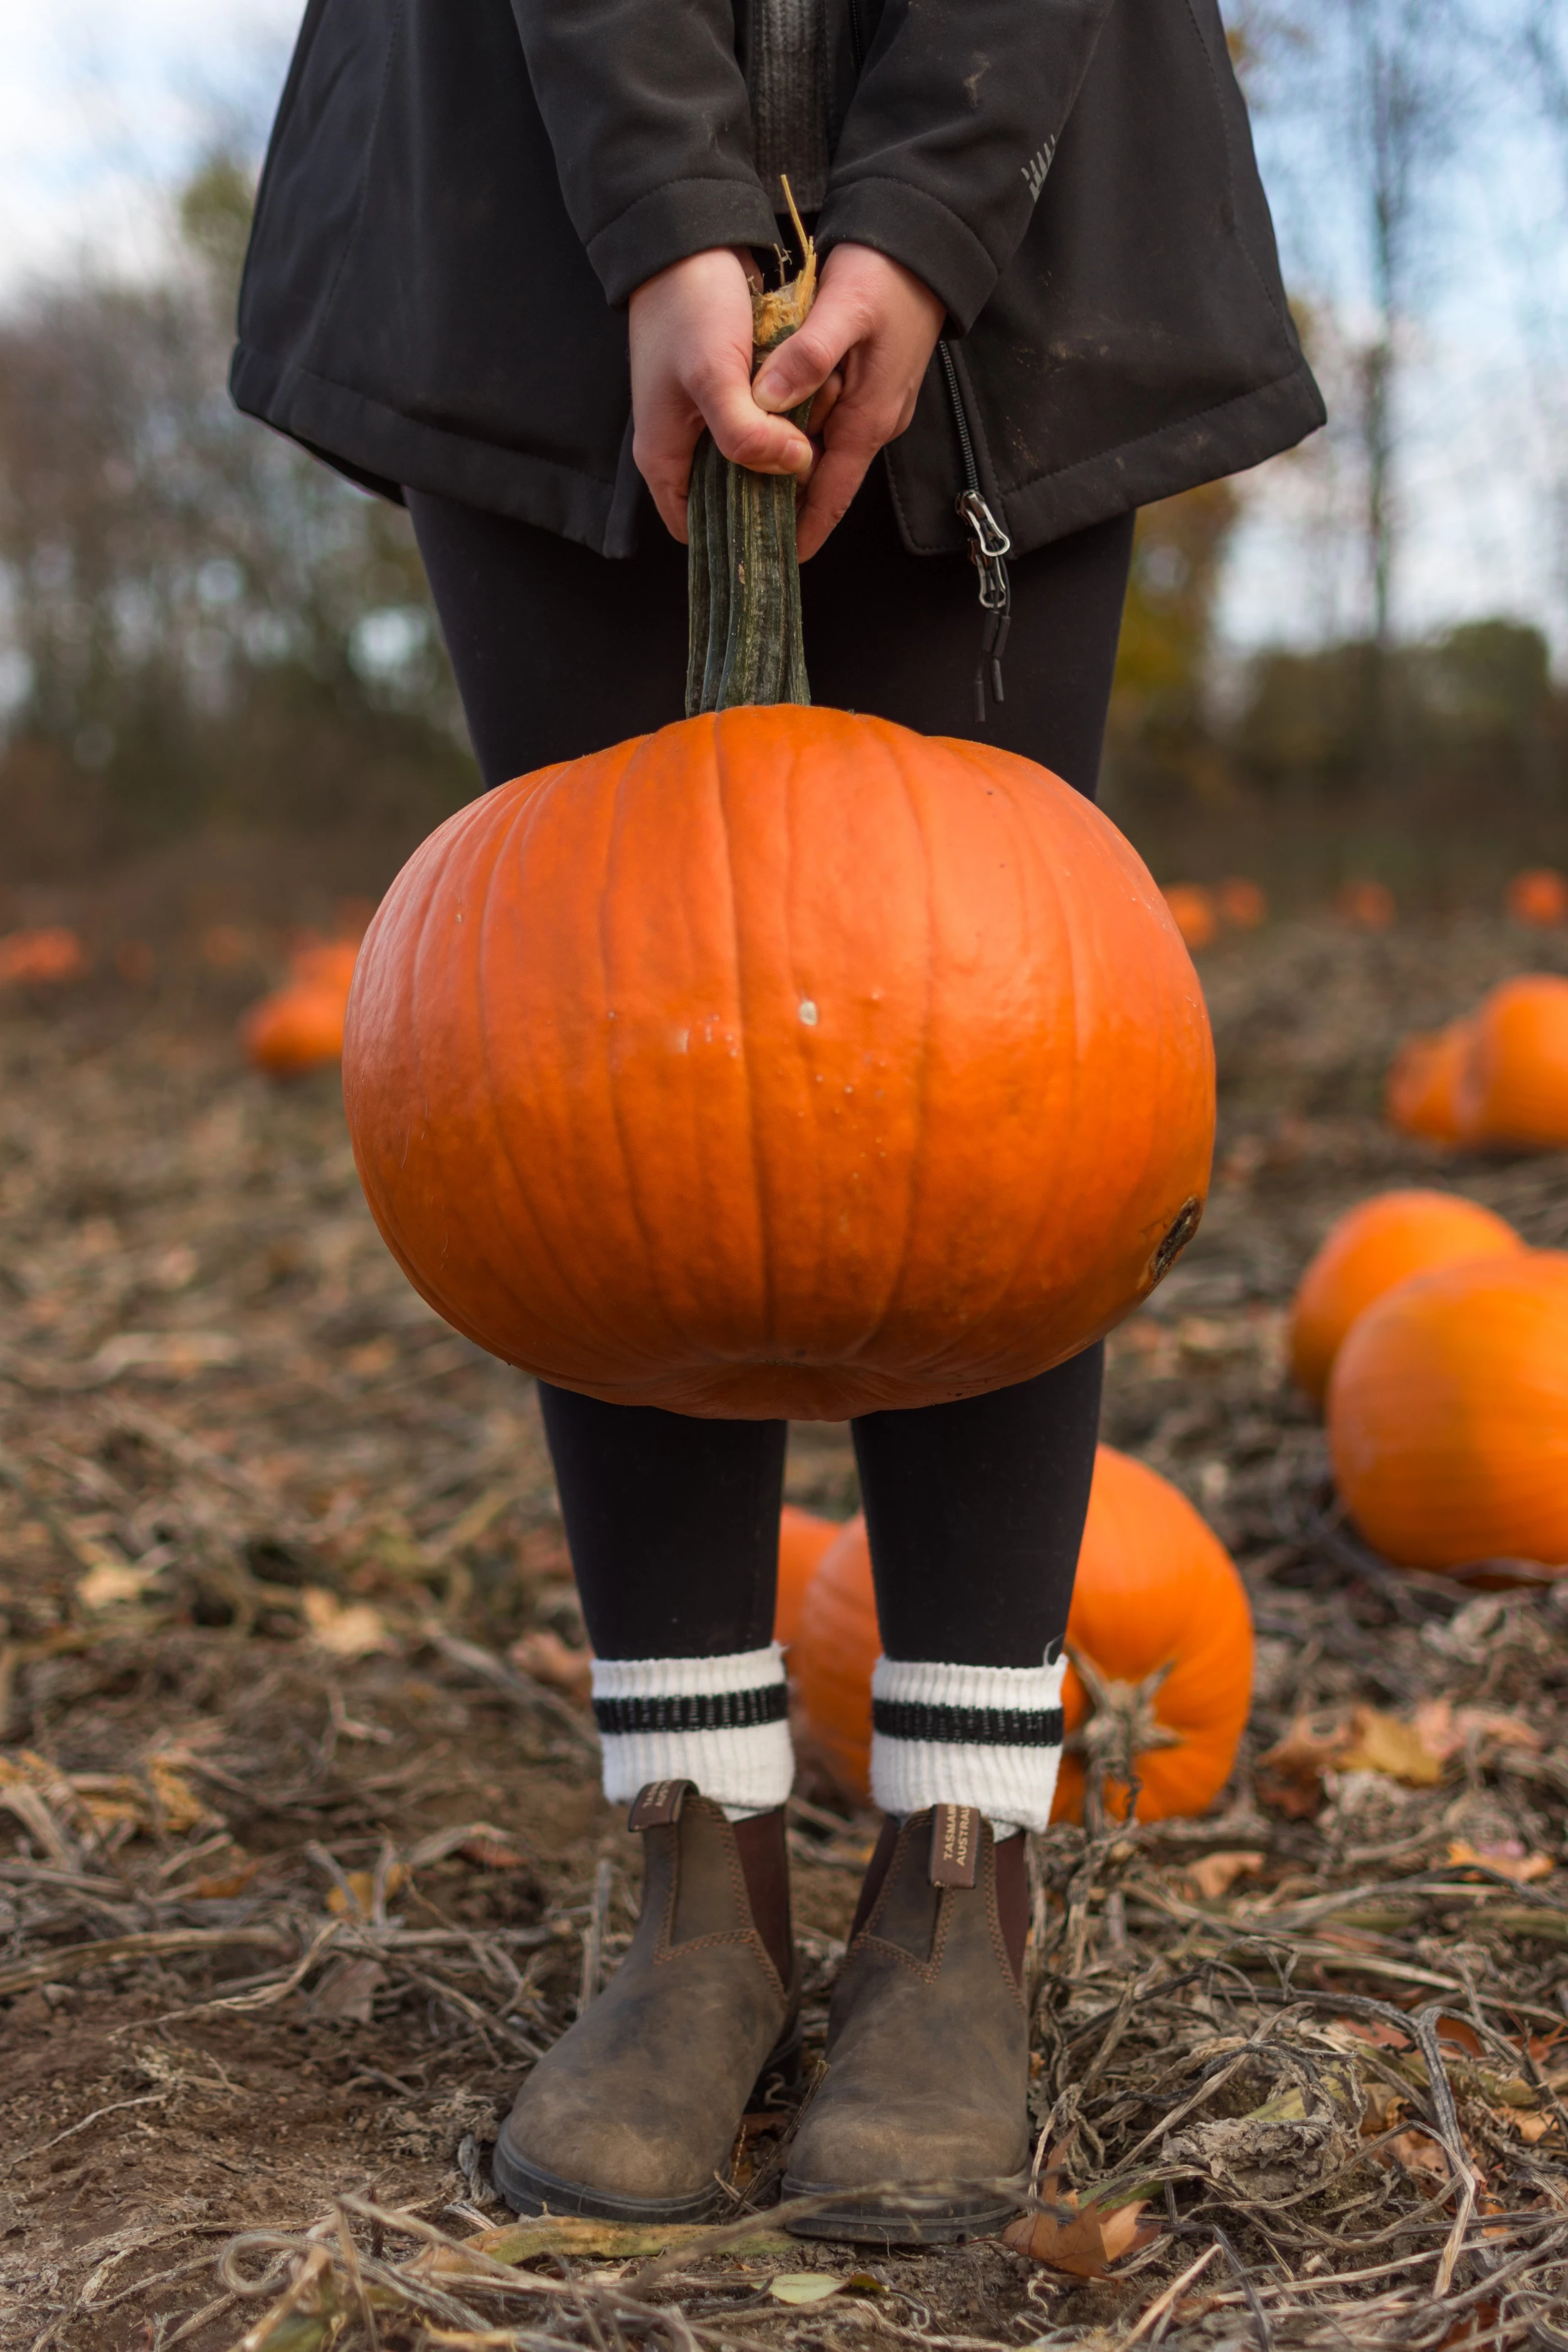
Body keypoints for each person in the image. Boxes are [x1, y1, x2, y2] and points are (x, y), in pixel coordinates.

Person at [234, 0, 1322, 2244]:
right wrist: (659, 212)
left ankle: (955, 1874)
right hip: (534, 173)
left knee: (999, 1054)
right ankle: (691, 1869)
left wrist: (922, 209)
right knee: (604, 1050)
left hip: (1024, 169)